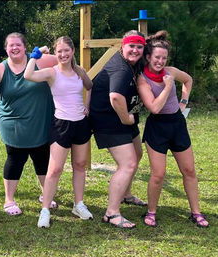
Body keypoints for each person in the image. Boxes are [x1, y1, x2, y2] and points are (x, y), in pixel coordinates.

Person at [0, 32, 58, 216]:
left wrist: (42, 52)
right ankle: (9, 200)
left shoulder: (39, 61)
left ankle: (46, 194)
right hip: (13, 123)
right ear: (6, 49)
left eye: (18, 44)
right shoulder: (1, 69)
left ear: (25, 46)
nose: (14, 48)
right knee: (16, 157)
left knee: (42, 155)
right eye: (10, 45)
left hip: (40, 120)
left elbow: (64, 60)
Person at [137, 30, 208, 228]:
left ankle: (196, 212)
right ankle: (151, 212)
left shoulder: (172, 71)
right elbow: (154, 107)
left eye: (164, 58)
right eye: (156, 57)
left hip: (177, 124)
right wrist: (168, 87)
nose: (160, 61)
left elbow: (188, 80)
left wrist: (183, 102)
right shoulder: (142, 79)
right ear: (149, 57)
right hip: (157, 127)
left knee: (189, 170)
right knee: (158, 174)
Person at [23, 36, 94, 228]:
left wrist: (87, 106)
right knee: (54, 169)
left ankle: (78, 205)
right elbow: (28, 75)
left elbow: (90, 86)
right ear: (55, 53)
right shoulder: (51, 73)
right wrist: (35, 54)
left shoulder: (80, 71)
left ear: (72, 51)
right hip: (61, 125)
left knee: (79, 165)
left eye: (66, 50)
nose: (63, 54)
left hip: (81, 123)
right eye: (59, 51)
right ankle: (45, 210)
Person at [89, 30, 147, 229]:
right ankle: (111, 213)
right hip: (109, 120)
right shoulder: (121, 69)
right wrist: (126, 118)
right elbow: (115, 97)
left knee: (137, 154)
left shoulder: (133, 63)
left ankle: (126, 194)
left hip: (124, 119)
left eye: (139, 46)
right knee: (128, 163)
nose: (135, 50)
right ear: (123, 46)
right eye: (131, 46)